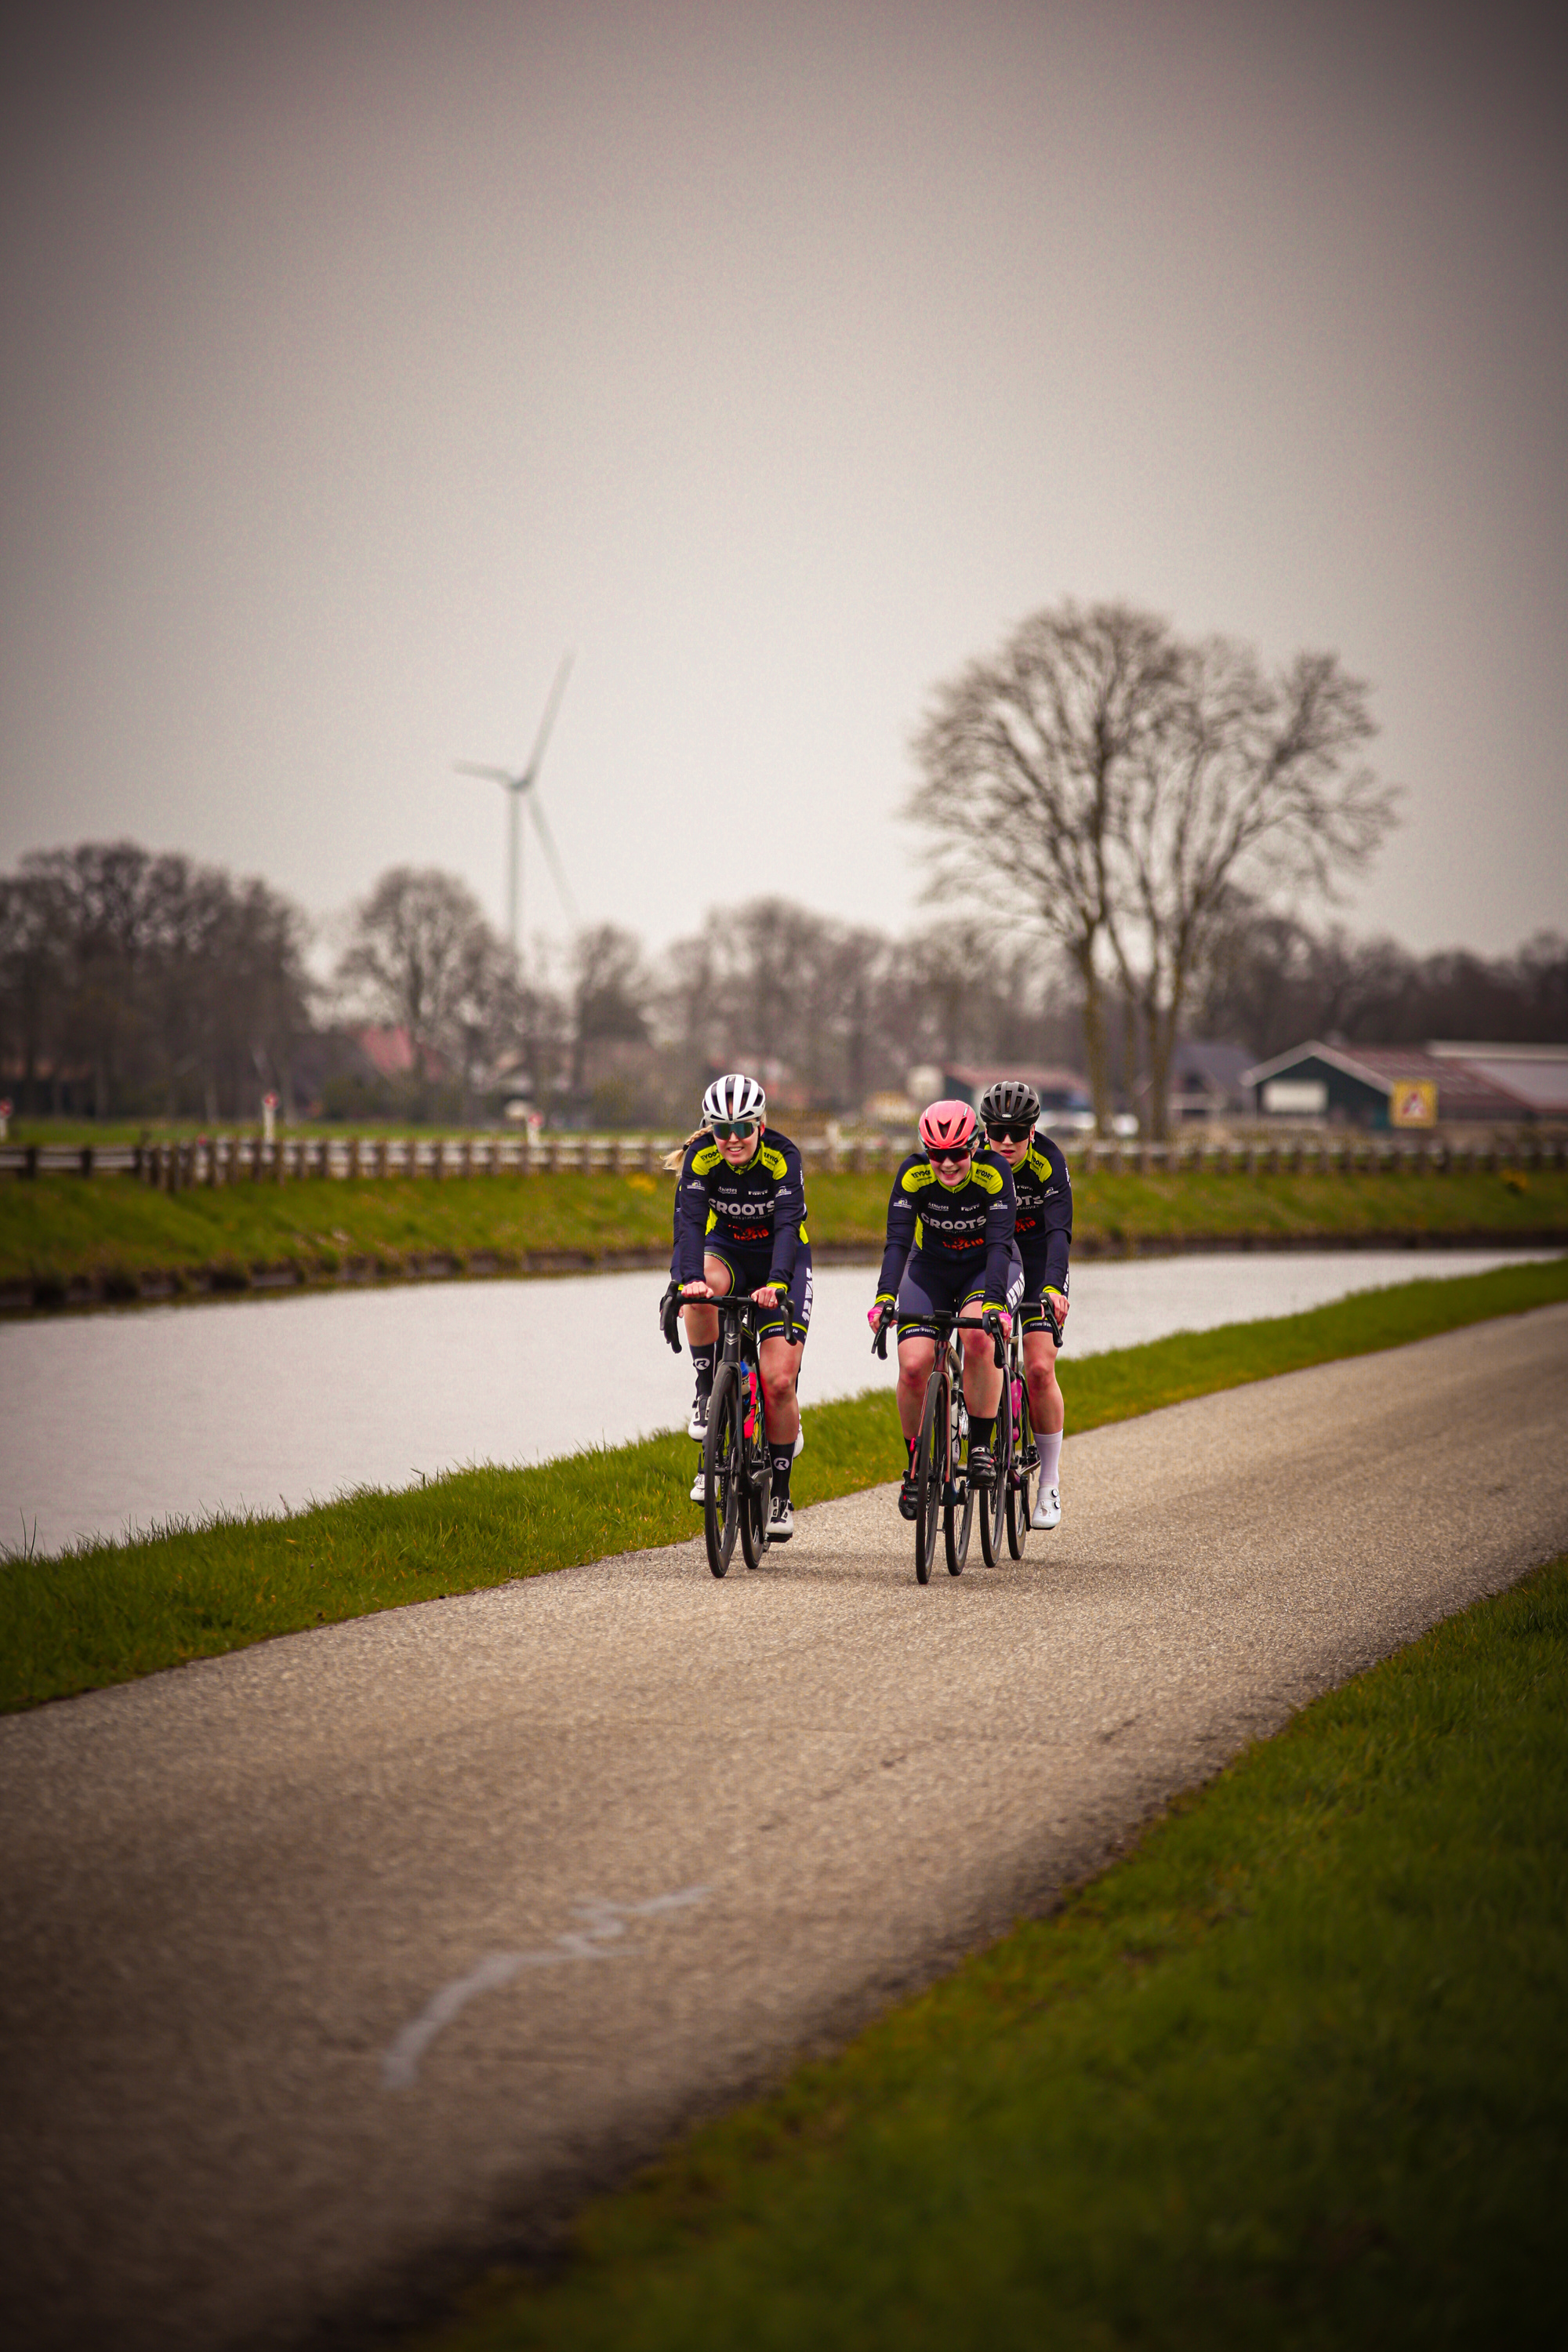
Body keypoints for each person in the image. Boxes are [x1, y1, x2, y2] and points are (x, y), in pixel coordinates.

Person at [666, 1072, 811, 1541]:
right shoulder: (701, 1158)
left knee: (777, 1381)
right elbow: (688, 1225)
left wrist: (777, 1284)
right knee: (700, 1287)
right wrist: (686, 1281)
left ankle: (781, 1492)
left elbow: (789, 1227)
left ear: (760, 1126)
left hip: (779, 1260)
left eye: (742, 1129)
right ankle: (708, 1392)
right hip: (726, 1249)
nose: (732, 1139)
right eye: (721, 1130)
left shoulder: (783, 1157)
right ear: (709, 1129)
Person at [868, 1098, 1023, 1519]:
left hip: (988, 1267)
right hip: (931, 1269)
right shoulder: (913, 1174)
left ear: (974, 1147)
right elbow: (898, 1242)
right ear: (926, 1151)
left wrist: (994, 1303)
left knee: (976, 1333)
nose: (948, 1164)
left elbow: (998, 1244)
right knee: (914, 1365)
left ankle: (980, 1448)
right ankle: (917, 1467)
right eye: (938, 1154)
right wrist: (884, 1297)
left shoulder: (995, 1173)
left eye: (957, 1153)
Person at [978, 1077, 1072, 1530]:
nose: (1007, 1141)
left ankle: (1049, 1482)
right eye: (997, 1132)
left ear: (1033, 1132)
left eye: (1018, 1132)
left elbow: (1058, 1233)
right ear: (985, 1131)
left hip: (1036, 1262)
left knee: (1038, 1367)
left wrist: (1054, 1288)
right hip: (989, 1257)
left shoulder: (1049, 1163)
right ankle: (967, 1400)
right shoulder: (973, 1160)